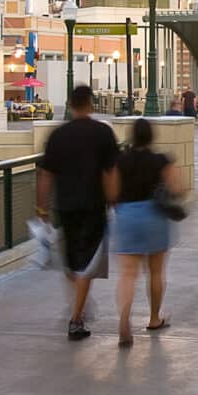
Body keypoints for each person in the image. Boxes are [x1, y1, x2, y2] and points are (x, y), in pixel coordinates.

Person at [35, 84, 119, 341]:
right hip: (93, 207)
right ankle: (76, 318)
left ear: (70, 105)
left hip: (64, 207)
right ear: (91, 104)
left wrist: (42, 208)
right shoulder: (103, 133)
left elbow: (45, 176)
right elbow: (110, 174)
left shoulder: (58, 136)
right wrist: (114, 202)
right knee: (87, 265)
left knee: (72, 263)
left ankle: (79, 304)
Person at [111, 117, 179, 345]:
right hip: (155, 216)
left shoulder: (120, 161)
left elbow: (111, 193)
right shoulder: (161, 160)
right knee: (156, 271)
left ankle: (124, 321)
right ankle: (153, 318)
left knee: (128, 274)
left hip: (127, 215)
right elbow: (177, 188)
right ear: (151, 136)